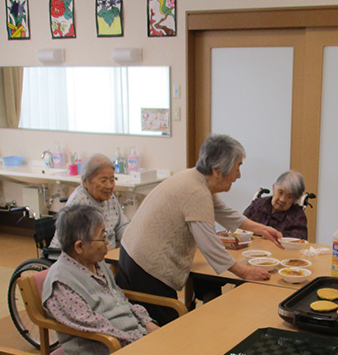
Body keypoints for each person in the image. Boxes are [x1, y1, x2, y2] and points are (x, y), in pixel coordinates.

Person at [116, 134, 283, 324]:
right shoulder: (196, 191)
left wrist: (261, 229)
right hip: (145, 268)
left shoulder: (195, 180)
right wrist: (244, 272)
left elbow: (223, 211)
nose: (238, 176)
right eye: (236, 169)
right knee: (163, 334)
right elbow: (209, 244)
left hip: (134, 258)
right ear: (218, 170)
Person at [43, 204, 158, 355]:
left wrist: (147, 323)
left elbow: (120, 299)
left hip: (130, 339)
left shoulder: (97, 264)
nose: (108, 242)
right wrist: (139, 340)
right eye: (102, 238)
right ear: (80, 246)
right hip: (102, 353)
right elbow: (96, 327)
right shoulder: (61, 283)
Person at [50, 153, 128, 250]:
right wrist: (106, 251)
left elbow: (121, 226)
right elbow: (79, 244)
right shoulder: (79, 203)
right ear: (85, 181)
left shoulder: (110, 198)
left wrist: (131, 240)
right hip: (78, 257)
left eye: (112, 180)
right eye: (103, 181)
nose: (109, 186)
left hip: (105, 254)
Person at [243, 170, 308, 239]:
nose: (282, 199)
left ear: (295, 199)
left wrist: (276, 236)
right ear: (274, 187)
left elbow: (298, 239)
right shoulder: (258, 204)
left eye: (289, 197)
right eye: (280, 192)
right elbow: (241, 224)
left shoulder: (298, 216)